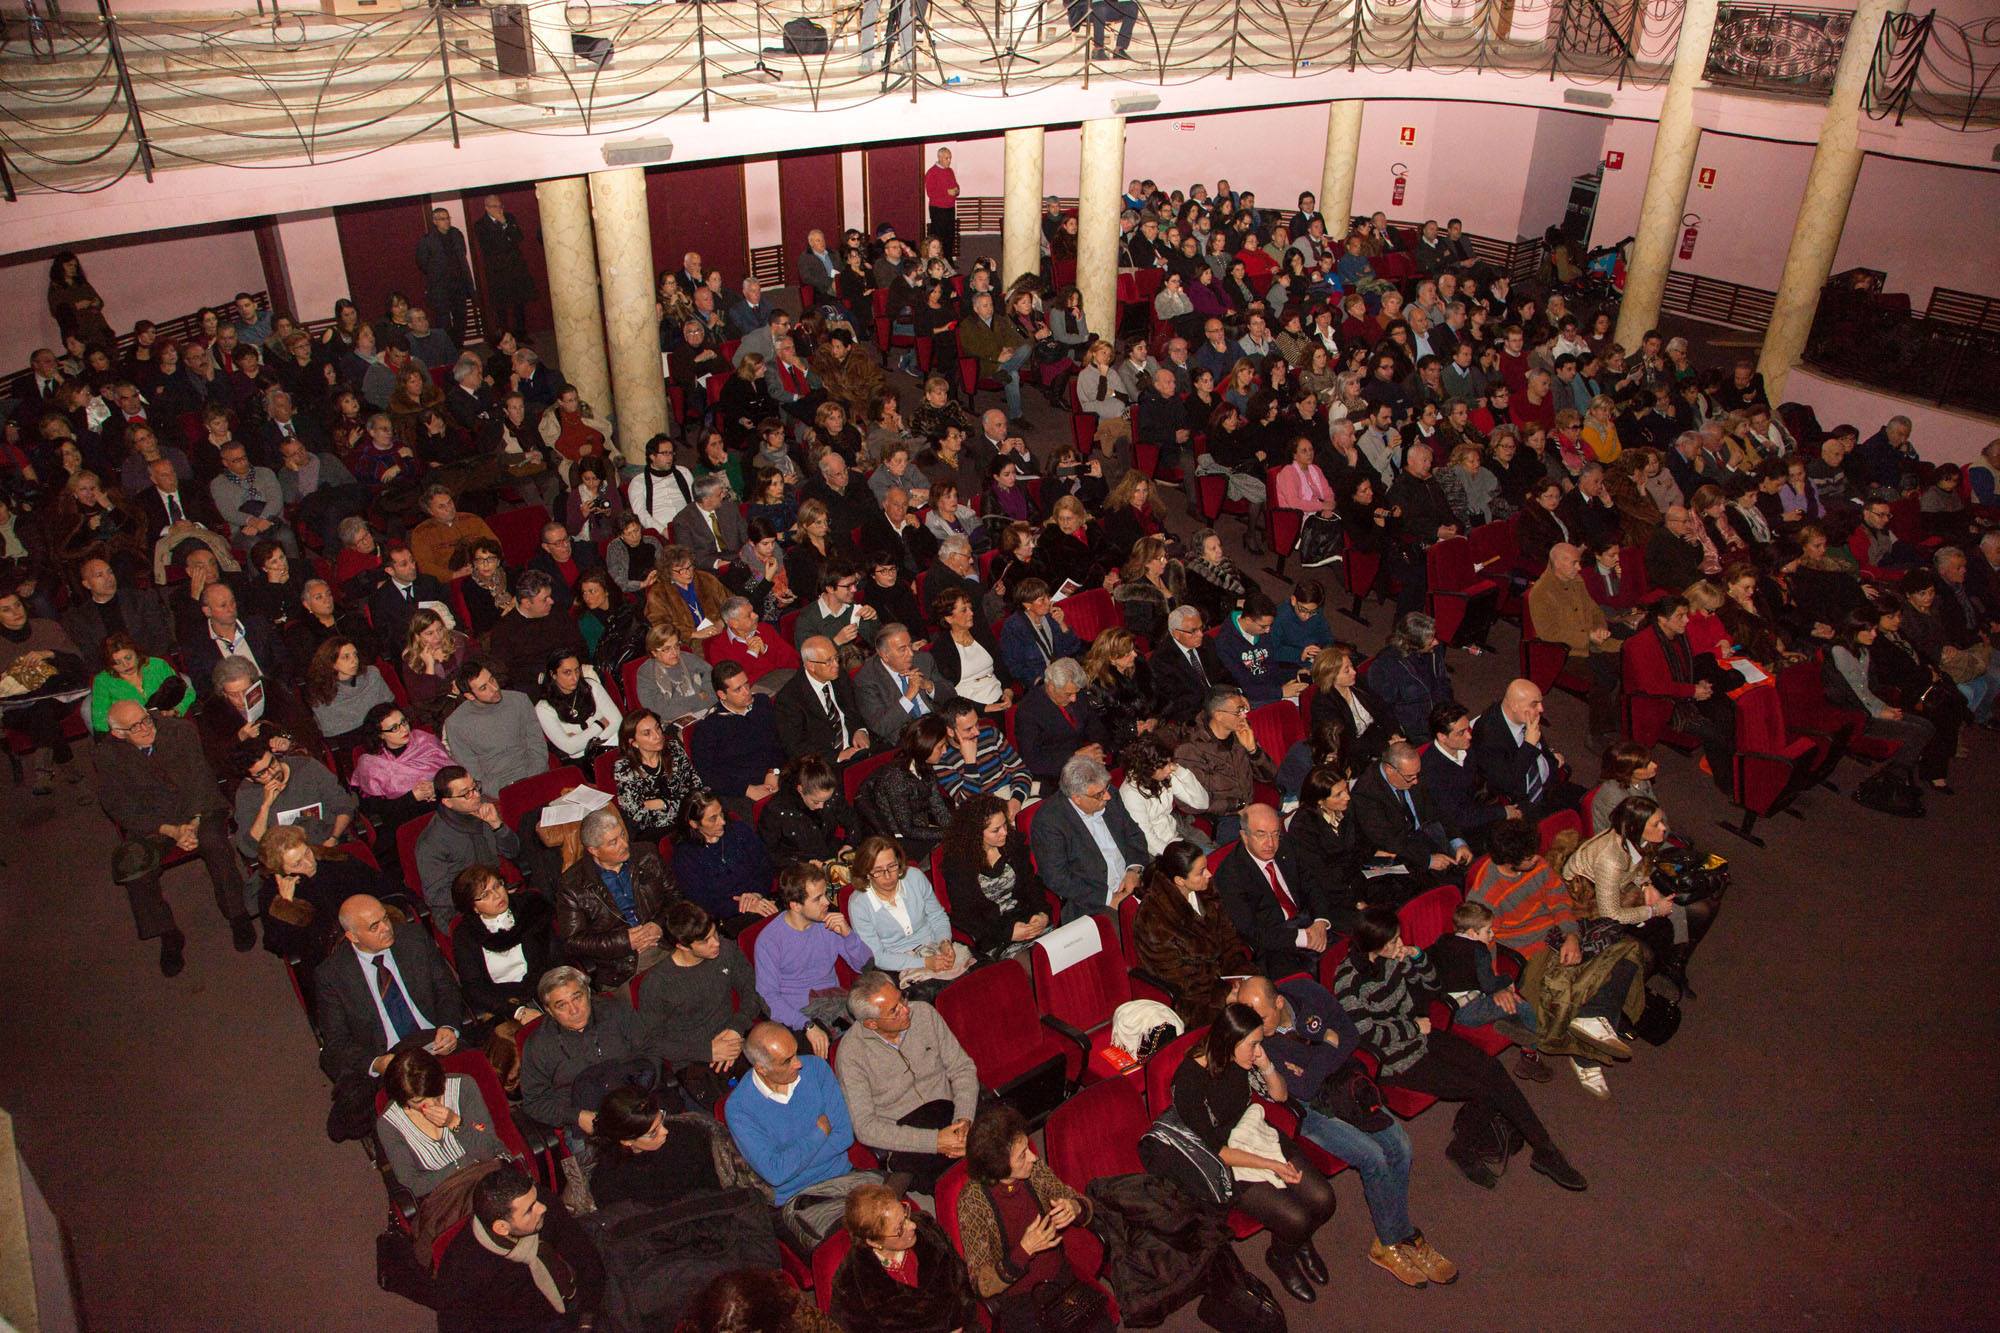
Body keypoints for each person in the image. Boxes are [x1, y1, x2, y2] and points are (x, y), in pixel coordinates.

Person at [1335, 907, 1587, 1192]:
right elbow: (1364, 1035)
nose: (1399, 944)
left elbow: (1433, 986)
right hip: (1395, 1059)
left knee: (1492, 1069)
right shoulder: (1349, 981)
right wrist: (1414, 1028)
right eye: (1392, 942)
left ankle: (1546, 1151)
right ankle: (1463, 1147)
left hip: (1424, 1034)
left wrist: (1417, 958)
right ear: (1372, 947)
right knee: (1481, 1088)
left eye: (1398, 938)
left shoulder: (1395, 956)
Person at [1230, 975, 1457, 1289]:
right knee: (1373, 1157)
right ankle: (1399, 1240)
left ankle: (1393, 1238)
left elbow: (1350, 1034)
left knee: (1401, 1146)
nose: (1253, 1025)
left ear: (1279, 1001)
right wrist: (1328, 1044)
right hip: (1308, 1111)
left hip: (1345, 1086)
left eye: (1262, 1016)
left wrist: (1317, 1058)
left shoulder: (1305, 992)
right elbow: (1304, 1089)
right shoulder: (1261, 1040)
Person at [1168, 1002, 1339, 1303]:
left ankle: (1296, 1242)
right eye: (1254, 1044)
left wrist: (1265, 1064)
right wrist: (1271, 1164)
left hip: (1253, 1132)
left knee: (1324, 1200)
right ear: (1230, 1042)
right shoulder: (1189, 1081)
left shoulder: (1241, 1059)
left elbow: (1280, 1095)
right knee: (1297, 1218)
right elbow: (1216, 1151)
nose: (1258, 1049)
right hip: (1226, 1159)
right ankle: (1282, 1256)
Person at [96, 700, 254, 975]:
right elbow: (118, 806)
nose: (146, 728)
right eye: (135, 727)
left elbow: (201, 779)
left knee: (215, 844)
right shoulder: (107, 756)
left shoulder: (179, 731)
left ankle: (237, 913)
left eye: (146, 719)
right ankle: (167, 932)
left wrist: (192, 823)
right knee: (135, 870)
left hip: (198, 810)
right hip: (155, 823)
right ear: (119, 734)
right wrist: (170, 830)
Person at [729, 1021, 887, 1254]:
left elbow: (844, 1136)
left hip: (843, 1178)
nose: (798, 1063)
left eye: (795, 1052)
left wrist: (792, 1160)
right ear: (762, 1069)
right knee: (857, 1249)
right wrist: (818, 1134)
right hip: (798, 1200)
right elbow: (776, 1173)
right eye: (787, 1060)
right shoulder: (739, 1107)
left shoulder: (815, 1069)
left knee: (899, 1220)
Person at [834, 972, 979, 1193]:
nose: (906, 1009)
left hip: (950, 1111)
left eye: (902, 998)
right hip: (908, 1132)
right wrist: (935, 1141)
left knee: (1003, 1137)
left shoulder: (924, 1014)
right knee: (962, 1183)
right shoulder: (851, 1054)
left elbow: (962, 1068)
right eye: (894, 1010)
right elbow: (865, 1128)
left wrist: (964, 1118)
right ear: (871, 1024)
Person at [1566, 795, 1723, 996]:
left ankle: (1674, 965)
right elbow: (1610, 915)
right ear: (1636, 827)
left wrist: (1646, 885)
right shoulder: (1610, 859)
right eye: (1656, 824)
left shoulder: (1636, 839)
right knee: (1645, 954)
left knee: (1702, 910)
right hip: (1589, 909)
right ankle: (1631, 999)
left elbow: (1639, 866)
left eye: (1661, 821)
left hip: (1622, 888)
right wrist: (1654, 910)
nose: (1664, 828)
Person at [313, 893, 466, 1086]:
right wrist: (376, 1064)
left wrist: (448, 1026)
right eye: (374, 927)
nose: (386, 928)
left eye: (385, 918)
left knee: (478, 1079)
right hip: (386, 1056)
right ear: (353, 936)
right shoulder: (332, 975)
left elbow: (446, 988)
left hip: (434, 1040)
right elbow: (337, 1040)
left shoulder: (414, 938)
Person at [434, 1166, 604, 1333]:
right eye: (529, 1210)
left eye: (535, 1198)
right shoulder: (462, 1267)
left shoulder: (541, 1202)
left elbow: (585, 1256)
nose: (541, 1207)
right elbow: (456, 1325)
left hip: (579, 1298)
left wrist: (587, 1319)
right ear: (502, 1228)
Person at [636, 900, 768, 1108]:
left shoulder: (725, 949)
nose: (715, 942)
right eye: (705, 941)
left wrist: (736, 1028)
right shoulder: (657, 984)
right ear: (682, 946)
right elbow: (650, 1041)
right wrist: (707, 1051)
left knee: (777, 1084)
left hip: (735, 1037)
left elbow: (751, 989)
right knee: (736, 1110)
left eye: (715, 933)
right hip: (694, 1058)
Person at [518, 966, 659, 1150]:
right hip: (587, 1120)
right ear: (549, 1011)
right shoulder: (538, 1045)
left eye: (577, 998)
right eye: (561, 1005)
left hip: (637, 1103)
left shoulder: (615, 1010)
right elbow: (534, 1101)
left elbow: (650, 1050)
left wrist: (642, 1094)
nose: (574, 1010)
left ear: (588, 993)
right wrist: (575, 1116)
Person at [449, 865, 558, 1088]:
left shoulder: (529, 909)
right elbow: (474, 988)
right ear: (474, 907)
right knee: (511, 1048)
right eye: (485, 895)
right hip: (502, 1005)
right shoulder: (466, 934)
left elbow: (553, 957)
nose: (497, 894)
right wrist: (517, 1010)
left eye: (498, 885)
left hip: (543, 987)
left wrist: (543, 996)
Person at [1132, 839, 1252, 1029]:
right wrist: (1224, 993)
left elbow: (1228, 938)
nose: (1209, 874)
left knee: (1262, 995)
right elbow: (1179, 978)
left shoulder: (1205, 890)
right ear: (1180, 880)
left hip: (1223, 978)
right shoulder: (1153, 919)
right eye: (1201, 872)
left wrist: (1240, 973)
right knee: (1244, 1023)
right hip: (1194, 999)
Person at [556, 808, 678, 991]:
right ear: (593, 850)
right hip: (621, 965)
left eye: (622, 834)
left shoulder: (646, 854)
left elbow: (674, 895)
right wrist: (624, 941)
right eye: (613, 842)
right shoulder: (572, 885)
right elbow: (574, 941)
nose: (624, 844)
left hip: (665, 942)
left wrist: (658, 925)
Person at [757, 863, 876, 1050]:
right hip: (799, 1014)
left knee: (881, 1017)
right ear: (795, 905)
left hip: (834, 1002)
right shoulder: (769, 940)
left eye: (825, 894)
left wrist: (848, 935)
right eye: (818, 898)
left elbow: (866, 967)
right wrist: (806, 1025)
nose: (827, 902)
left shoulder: (828, 922)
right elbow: (768, 997)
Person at [375, 1045, 509, 1204]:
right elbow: (413, 1185)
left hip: (493, 1182)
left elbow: (488, 1151)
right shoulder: (389, 1124)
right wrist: (463, 1165)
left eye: (436, 1093)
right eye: (419, 1101)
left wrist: (454, 1123)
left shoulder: (463, 1087)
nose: (431, 1103)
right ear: (404, 1102)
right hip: (449, 1199)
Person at [845, 835, 971, 996]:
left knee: (980, 977)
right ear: (866, 873)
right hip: (897, 964)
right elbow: (877, 956)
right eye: (878, 871)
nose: (888, 875)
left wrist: (944, 941)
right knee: (941, 995)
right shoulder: (859, 904)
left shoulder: (915, 877)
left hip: (933, 947)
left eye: (892, 866)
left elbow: (937, 916)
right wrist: (924, 962)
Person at [1030, 754, 1148, 919]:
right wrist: (1109, 898)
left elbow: (1133, 834)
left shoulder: (1109, 794)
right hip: (1092, 902)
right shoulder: (1049, 821)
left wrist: (1134, 870)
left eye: (1106, 788)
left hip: (1133, 880)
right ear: (1077, 798)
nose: (1107, 796)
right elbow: (1057, 877)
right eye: (1099, 794)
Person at [1528, 542, 1623, 743]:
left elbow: (1595, 610)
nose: (1579, 568)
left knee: (1627, 662)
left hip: (1593, 642)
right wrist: (1587, 636)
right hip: (1567, 652)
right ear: (1558, 563)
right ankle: (1596, 733)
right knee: (1603, 679)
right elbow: (1549, 633)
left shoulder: (1576, 581)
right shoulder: (1541, 592)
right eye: (1574, 563)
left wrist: (1599, 628)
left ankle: (1615, 720)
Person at [416, 766, 524, 927]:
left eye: (475, 787)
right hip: (459, 910)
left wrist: (497, 825)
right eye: (466, 793)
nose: (476, 795)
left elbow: (513, 852)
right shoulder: (431, 841)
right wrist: (482, 895)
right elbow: (436, 895)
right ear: (447, 802)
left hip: (494, 891)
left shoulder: (483, 811)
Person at [586, 1083, 722, 1209]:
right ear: (627, 1141)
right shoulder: (608, 1183)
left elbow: (713, 1188)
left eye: (661, 1119)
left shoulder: (687, 1135)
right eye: (653, 1133)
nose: (665, 1131)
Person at [1173, 685, 1278, 845]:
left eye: (1244, 709)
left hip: (1250, 808)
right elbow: (1195, 803)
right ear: (1219, 716)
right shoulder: (1190, 750)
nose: (1244, 715)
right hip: (1224, 819)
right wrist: (1237, 806)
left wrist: (1253, 751)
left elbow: (1270, 776)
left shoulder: (1240, 734)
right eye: (1238, 711)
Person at [231, 735, 356, 861]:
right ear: (249, 778)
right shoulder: (246, 793)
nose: (273, 772)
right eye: (262, 773)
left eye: (273, 763)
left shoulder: (307, 767)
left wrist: (334, 838)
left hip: (327, 845)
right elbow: (250, 849)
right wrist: (265, 806)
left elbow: (344, 806)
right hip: (287, 861)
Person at [688, 661, 787, 819]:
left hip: (775, 776)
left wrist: (774, 771)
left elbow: (779, 742)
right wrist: (747, 789)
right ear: (722, 695)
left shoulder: (761, 703)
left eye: (746, 684)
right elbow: (707, 774)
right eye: (738, 689)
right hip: (738, 792)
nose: (747, 692)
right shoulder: (708, 728)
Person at [442, 658, 550, 796]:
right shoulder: (455, 724)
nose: (494, 688)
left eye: (492, 680)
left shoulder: (519, 700)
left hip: (536, 776)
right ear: (470, 696)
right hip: (498, 790)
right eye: (483, 688)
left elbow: (537, 746)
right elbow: (474, 774)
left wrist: (532, 780)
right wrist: (505, 792)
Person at [88, 631, 191, 734]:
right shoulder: (102, 681)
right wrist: (126, 730)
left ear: (136, 653)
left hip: (168, 725)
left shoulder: (157, 665)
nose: (125, 664)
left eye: (128, 657)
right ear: (110, 665)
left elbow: (187, 693)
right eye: (117, 663)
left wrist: (175, 711)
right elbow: (100, 722)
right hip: (133, 735)